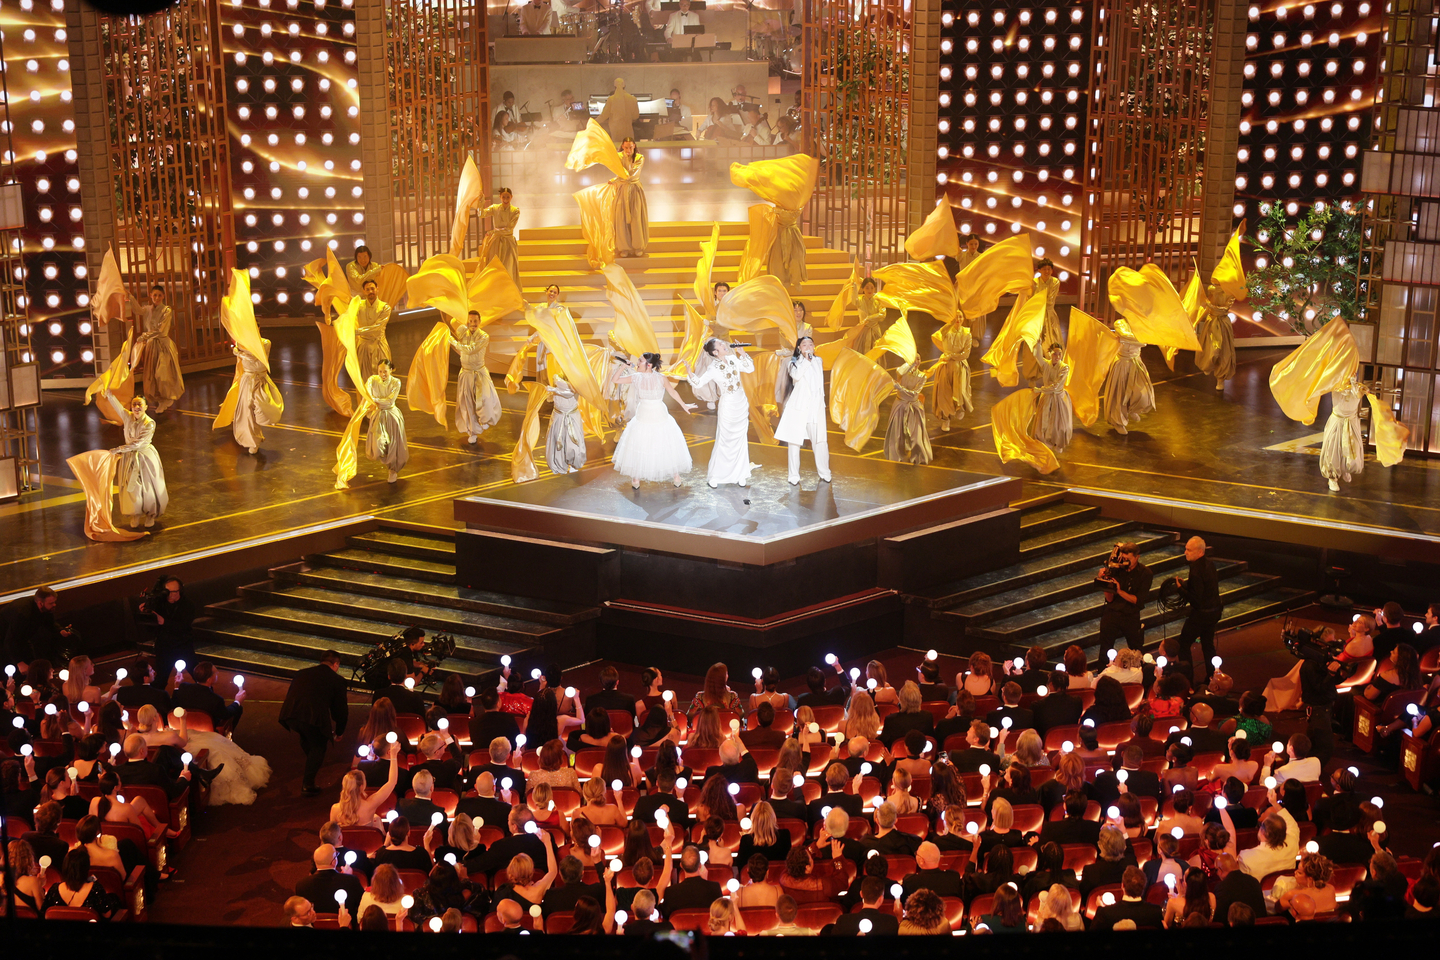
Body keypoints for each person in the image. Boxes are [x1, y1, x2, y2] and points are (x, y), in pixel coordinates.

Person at [609, 352, 696, 488]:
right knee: (640, 443)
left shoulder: (661, 378)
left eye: (640, 361)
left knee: (665, 443)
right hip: (643, 414)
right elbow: (615, 380)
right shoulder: (635, 377)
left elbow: (672, 392)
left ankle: (676, 475)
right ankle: (636, 477)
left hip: (659, 414)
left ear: (649, 365)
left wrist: (684, 405)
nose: (637, 363)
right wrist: (623, 366)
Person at [687, 339, 757, 488]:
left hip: (741, 403)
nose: (724, 345)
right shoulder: (713, 367)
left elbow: (750, 369)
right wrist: (689, 373)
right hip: (728, 405)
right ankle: (716, 475)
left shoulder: (733, 359)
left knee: (740, 439)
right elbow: (699, 383)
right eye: (720, 344)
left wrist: (742, 353)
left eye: (723, 343)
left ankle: (740, 474)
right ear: (715, 352)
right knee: (725, 439)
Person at [97, 389, 167, 528]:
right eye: (134, 404)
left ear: (146, 407)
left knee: (148, 488)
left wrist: (118, 449)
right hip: (130, 457)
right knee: (132, 488)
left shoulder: (149, 423)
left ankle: (150, 515)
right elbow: (118, 407)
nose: (136, 407)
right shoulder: (128, 417)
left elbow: (138, 444)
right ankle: (135, 514)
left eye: (140, 404)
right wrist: (109, 395)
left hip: (145, 457)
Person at [775, 335, 831, 485]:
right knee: (794, 443)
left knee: (820, 441)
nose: (808, 347)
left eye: (810, 344)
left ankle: (825, 472)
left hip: (815, 408)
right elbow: (797, 376)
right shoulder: (792, 363)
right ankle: (793, 475)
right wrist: (806, 360)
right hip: (798, 408)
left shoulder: (818, 361)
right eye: (804, 344)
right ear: (799, 348)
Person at [1170, 536, 1223, 680]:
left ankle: (1187, 680)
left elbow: (1196, 599)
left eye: (1189, 550)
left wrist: (1180, 589)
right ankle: (1212, 678)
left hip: (1201, 615)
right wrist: (1187, 585)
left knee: (1183, 644)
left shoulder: (1195, 570)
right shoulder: (1209, 564)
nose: (1185, 552)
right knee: (1208, 645)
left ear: (1200, 552)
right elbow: (1205, 588)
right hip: (1214, 612)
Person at [1094, 542, 1153, 666]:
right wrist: (1105, 583)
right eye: (1123, 558)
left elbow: (1137, 600)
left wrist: (1119, 591)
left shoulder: (1145, 573)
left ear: (1137, 557)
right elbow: (1110, 599)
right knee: (1105, 649)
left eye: (1128, 559)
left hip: (1131, 615)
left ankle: (1138, 673)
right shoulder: (1116, 569)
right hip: (1112, 612)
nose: (1125, 562)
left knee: (1136, 650)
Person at [449, 311, 502, 445]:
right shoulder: (463, 332)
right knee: (467, 405)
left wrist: (453, 342)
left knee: (484, 399)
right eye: (470, 321)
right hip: (466, 373)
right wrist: (461, 312)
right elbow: (452, 320)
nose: (472, 324)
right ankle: (472, 432)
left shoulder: (484, 336)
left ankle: (485, 420)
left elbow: (470, 349)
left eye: (475, 321)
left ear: (480, 321)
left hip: (479, 373)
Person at [133, 284, 184, 412]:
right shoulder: (148, 309)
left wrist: (144, 336)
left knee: (162, 374)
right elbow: (138, 310)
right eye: (154, 295)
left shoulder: (166, 310)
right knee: (152, 377)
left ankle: (167, 398)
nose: (157, 297)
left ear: (163, 297)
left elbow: (161, 331)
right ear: (151, 295)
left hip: (163, 345)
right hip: (151, 346)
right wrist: (130, 297)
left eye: (159, 295)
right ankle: (161, 400)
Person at [138, 576, 195, 684]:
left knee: (197, 674)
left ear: (180, 591)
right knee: (161, 678)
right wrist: (147, 614)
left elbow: (183, 627)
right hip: (164, 646)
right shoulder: (160, 603)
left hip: (183, 645)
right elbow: (150, 628)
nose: (170, 594)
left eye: (174, 591)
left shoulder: (188, 605)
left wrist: (164, 621)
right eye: (167, 591)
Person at [1102, 317, 1155, 435]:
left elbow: (1145, 340)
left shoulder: (1141, 323)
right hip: (1123, 363)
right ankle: (1118, 422)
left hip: (1136, 362)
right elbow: (1133, 338)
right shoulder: (1119, 323)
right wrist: (1140, 340)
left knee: (1143, 392)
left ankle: (1133, 408)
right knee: (1119, 394)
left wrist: (1141, 339)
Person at [42, 847, 122, 920]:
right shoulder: (95, 889)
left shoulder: (54, 889)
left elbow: (44, 913)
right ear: (86, 868)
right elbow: (107, 915)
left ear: (65, 867)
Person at [1, 587, 70, 669]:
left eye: (54, 602)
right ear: (40, 603)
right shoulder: (23, 614)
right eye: (51, 603)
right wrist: (19, 662)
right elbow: (10, 640)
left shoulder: (45, 608)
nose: (54, 605)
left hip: (20, 639)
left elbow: (50, 623)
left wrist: (60, 630)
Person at [365, 359, 408, 484]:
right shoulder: (373, 380)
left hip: (392, 416)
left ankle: (392, 471)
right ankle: (387, 462)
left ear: (391, 370)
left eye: (385, 371)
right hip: (378, 415)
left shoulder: (396, 382)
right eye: (380, 371)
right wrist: (373, 399)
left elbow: (390, 401)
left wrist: (375, 399)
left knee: (394, 445)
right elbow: (366, 392)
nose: (382, 374)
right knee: (378, 445)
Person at [1320, 375, 1366, 492]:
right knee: (1333, 449)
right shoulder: (1335, 385)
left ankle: (1345, 469)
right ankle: (1332, 478)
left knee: (1352, 448)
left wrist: (1354, 385)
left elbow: (1359, 394)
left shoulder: (1359, 387)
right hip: (1337, 421)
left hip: (1351, 421)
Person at [884, 360, 933, 465]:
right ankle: (897, 456)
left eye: (918, 359)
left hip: (914, 407)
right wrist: (909, 365)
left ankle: (918, 457)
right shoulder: (902, 372)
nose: (917, 362)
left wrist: (900, 388)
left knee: (917, 434)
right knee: (898, 433)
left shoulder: (922, 376)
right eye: (914, 359)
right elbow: (900, 371)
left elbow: (915, 393)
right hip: (900, 405)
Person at [1031, 342, 1072, 451]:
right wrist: (1038, 345)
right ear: (1049, 354)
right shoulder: (1046, 364)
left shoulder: (1064, 368)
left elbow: (1056, 386)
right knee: (1043, 421)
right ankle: (1044, 442)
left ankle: (1057, 442)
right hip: (1046, 397)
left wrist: (1040, 390)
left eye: (1059, 354)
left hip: (1058, 398)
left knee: (1059, 424)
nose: (1057, 357)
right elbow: (1037, 356)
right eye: (1055, 354)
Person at [612, 136, 649, 258]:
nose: (628, 150)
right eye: (626, 147)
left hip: (634, 189)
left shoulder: (639, 158)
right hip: (622, 189)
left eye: (631, 147)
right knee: (621, 218)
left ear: (634, 146)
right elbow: (617, 170)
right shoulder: (618, 157)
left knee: (636, 217)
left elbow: (631, 175)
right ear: (622, 146)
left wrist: (615, 179)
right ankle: (624, 248)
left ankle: (638, 247)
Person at [543, 377, 586, 475]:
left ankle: (574, 463)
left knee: (573, 441)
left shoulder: (577, 380)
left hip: (572, 416)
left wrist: (553, 389)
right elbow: (560, 384)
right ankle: (559, 465)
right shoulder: (556, 377)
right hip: (558, 415)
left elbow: (570, 393)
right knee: (558, 441)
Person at [479, 188, 521, 288]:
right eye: (503, 197)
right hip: (495, 242)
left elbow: (509, 229)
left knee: (508, 266)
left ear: (511, 197)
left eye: (508, 197)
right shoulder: (495, 208)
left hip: (508, 242)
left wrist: (493, 231)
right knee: (494, 266)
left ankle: (508, 289)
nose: (505, 199)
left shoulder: (515, 211)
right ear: (500, 197)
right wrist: (481, 203)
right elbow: (481, 214)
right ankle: (494, 289)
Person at [354, 279, 392, 383]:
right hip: (363, 346)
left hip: (379, 345)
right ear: (364, 291)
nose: (370, 291)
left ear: (377, 289)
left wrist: (357, 332)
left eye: (372, 289)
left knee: (383, 379)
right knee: (364, 380)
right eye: (367, 289)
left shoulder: (385, 307)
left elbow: (377, 327)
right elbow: (348, 317)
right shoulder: (358, 305)